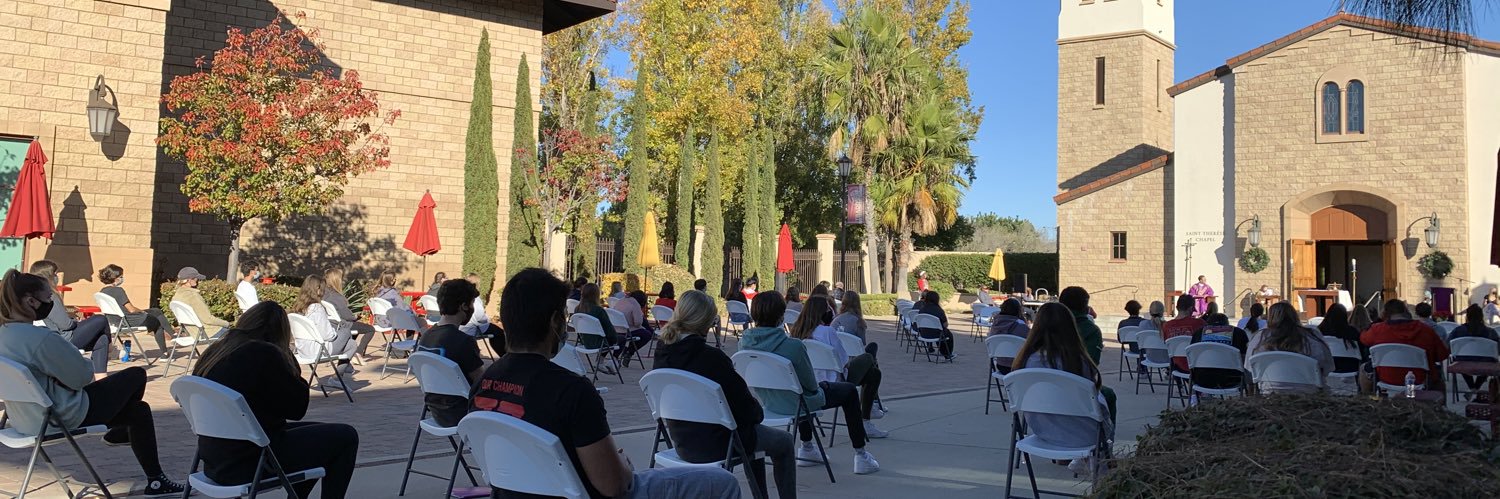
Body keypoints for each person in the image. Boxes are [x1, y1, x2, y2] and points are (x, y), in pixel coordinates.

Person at [471, 269, 741, 499]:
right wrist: (622, 466)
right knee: (722, 482)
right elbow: (613, 486)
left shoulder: (483, 384)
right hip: (585, 491)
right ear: (555, 321)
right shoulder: (571, 391)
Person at [0, 270, 186, 496]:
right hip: (62, 416)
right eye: (49, 299)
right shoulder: (40, 338)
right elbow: (82, 377)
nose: (51, 303)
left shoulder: (5, 334)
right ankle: (119, 433)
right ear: (31, 301)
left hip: (23, 419)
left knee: (138, 411)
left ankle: (156, 481)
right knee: (136, 374)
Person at [193, 301, 357, 499]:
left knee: (321, 435)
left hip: (217, 460)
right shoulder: (263, 354)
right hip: (251, 461)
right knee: (346, 436)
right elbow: (297, 409)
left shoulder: (216, 351)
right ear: (281, 331)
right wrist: (290, 363)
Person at [653, 290, 797, 499]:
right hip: (719, 444)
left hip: (682, 441)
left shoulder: (662, 353)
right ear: (705, 321)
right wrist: (756, 414)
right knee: (783, 441)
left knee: (752, 434)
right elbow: (747, 408)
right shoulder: (711, 358)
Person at [739, 291, 880, 475]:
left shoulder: (744, 345)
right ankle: (861, 455)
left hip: (768, 403)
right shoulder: (793, 346)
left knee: (800, 394)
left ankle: (807, 447)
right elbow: (811, 387)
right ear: (781, 315)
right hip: (796, 404)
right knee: (848, 392)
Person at [1010, 302, 1115, 473]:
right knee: (1103, 407)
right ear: (1070, 328)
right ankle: (1101, 471)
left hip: (1043, 431)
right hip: (1085, 436)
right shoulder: (1077, 362)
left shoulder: (1024, 363)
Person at [788, 295, 888, 438]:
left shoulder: (796, 333)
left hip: (808, 383)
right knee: (868, 358)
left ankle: (868, 415)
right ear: (822, 313)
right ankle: (867, 417)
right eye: (828, 309)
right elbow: (843, 362)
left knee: (873, 373)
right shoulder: (827, 331)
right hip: (835, 383)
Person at [415, 279, 487, 427]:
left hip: (436, 411)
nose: (472, 308)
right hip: (463, 413)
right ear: (463, 306)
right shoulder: (463, 341)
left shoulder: (425, 337)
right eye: (472, 303)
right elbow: (481, 382)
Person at [30, 260, 112, 377]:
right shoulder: (50, 296)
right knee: (100, 319)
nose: (57, 277)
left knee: (101, 339)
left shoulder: (35, 295)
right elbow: (66, 325)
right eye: (55, 274)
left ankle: (100, 377)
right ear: (48, 276)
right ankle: (110, 346)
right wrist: (76, 322)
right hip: (64, 339)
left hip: (51, 338)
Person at [1246, 302, 1333, 394]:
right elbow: (1327, 366)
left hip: (1271, 391)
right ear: (1294, 315)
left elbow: (1250, 367)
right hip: (1309, 391)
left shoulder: (1259, 338)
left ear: (1270, 317)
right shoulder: (1312, 336)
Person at [1362, 299, 1449, 391]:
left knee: (1364, 369)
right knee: (1438, 377)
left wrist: (1379, 320)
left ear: (1385, 314)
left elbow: (1363, 339)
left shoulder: (1377, 330)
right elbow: (1442, 355)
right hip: (1420, 378)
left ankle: (1367, 401)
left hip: (1386, 377)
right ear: (1406, 312)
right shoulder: (1426, 331)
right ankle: (1439, 405)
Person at [97, 264, 173, 356]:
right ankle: (165, 353)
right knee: (157, 323)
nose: (122, 279)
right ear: (115, 278)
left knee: (156, 311)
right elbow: (131, 309)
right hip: (131, 320)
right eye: (121, 276)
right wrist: (142, 311)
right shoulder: (118, 290)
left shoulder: (102, 292)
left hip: (115, 321)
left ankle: (173, 336)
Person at [294, 275, 357, 386]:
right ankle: (341, 373)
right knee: (346, 330)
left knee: (351, 345)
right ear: (318, 289)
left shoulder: (299, 307)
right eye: (323, 289)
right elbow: (328, 336)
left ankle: (338, 376)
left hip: (302, 349)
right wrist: (336, 332)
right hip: (318, 350)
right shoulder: (316, 308)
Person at [322, 268, 377, 360]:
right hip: (343, 324)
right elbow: (347, 316)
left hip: (331, 323)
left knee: (357, 327)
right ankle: (358, 353)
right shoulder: (337, 297)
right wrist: (355, 317)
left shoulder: (323, 294)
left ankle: (349, 348)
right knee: (370, 329)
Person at [1190, 313, 1249, 390]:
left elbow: (1192, 357)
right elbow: (1245, 358)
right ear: (1227, 323)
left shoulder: (1197, 333)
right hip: (1232, 379)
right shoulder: (1239, 333)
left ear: (1208, 324)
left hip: (1202, 379)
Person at [1448, 304, 1499, 392]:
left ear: (1467, 316)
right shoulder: (1491, 332)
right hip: (1486, 362)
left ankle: (1472, 387)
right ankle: (1477, 386)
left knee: (1463, 359)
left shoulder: (1458, 331)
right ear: (1481, 316)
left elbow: (1449, 346)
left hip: (1462, 362)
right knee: (1489, 359)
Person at [575, 283, 621, 375]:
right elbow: (609, 330)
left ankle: (601, 362)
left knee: (608, 338)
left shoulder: (577, 309)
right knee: (621, 339)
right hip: (599, 343)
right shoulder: (599, 310)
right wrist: (614, 339)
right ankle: (606, 362)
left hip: (585, 342)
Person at [172, 267, 232, 338]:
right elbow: (208, 319)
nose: (198, 281)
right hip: (208, 332)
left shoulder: (176, 296)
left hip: (193, 333)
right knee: (240, 337)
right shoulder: (193, 296)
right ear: (190, 280)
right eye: (196, 279)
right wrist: (227, 324)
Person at [459, 274, 505, 356]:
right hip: (471, 328)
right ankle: (503, 356)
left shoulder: (461, 295)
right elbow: (480, 317)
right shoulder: (475, 298)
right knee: (499, 333)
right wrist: (487, 319)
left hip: (462, 327)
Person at [1059, 287, 1104, 365]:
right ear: (1085, 307)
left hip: (1044, 375)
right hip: (1077, 375)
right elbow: (1092, 363)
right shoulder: (1092, 330)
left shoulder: (1045, 326)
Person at [1161, 295, 1206, 373]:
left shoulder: (1166, 326)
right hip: (1197, 366)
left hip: (1177, 367)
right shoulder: (1199, 323)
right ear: (1190, 309)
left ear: (1177, 307)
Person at [1317, 304, 1367, 374]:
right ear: (1345, 316)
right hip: (1350, 370)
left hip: (1326, 370)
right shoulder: (1352, 332)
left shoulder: (1319, 332)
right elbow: (1361, 353)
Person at [610, 290, 656, 367]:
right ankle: (629, 352)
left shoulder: (620, 301)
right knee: (647, 334)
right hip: (626, 331)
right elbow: (638, 323)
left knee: (641, 331)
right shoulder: (635, 305)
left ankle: (627, 350)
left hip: (615, 329)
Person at [915, 290, 956, 362]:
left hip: (923, 334)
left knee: (940, 332)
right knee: (947, 334)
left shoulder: (921, 310)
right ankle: (947, 354)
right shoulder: (939, 310)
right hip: (936, 334)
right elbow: (945, 324)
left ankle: (937, 350)